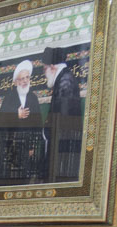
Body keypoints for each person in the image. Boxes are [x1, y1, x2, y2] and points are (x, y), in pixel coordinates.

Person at [42, 45, 83, 182]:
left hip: (63, 149)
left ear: (52, 67)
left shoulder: (65, 82)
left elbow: (63, 122)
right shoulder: (63, 79)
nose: (44, 74)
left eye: (44, 69)